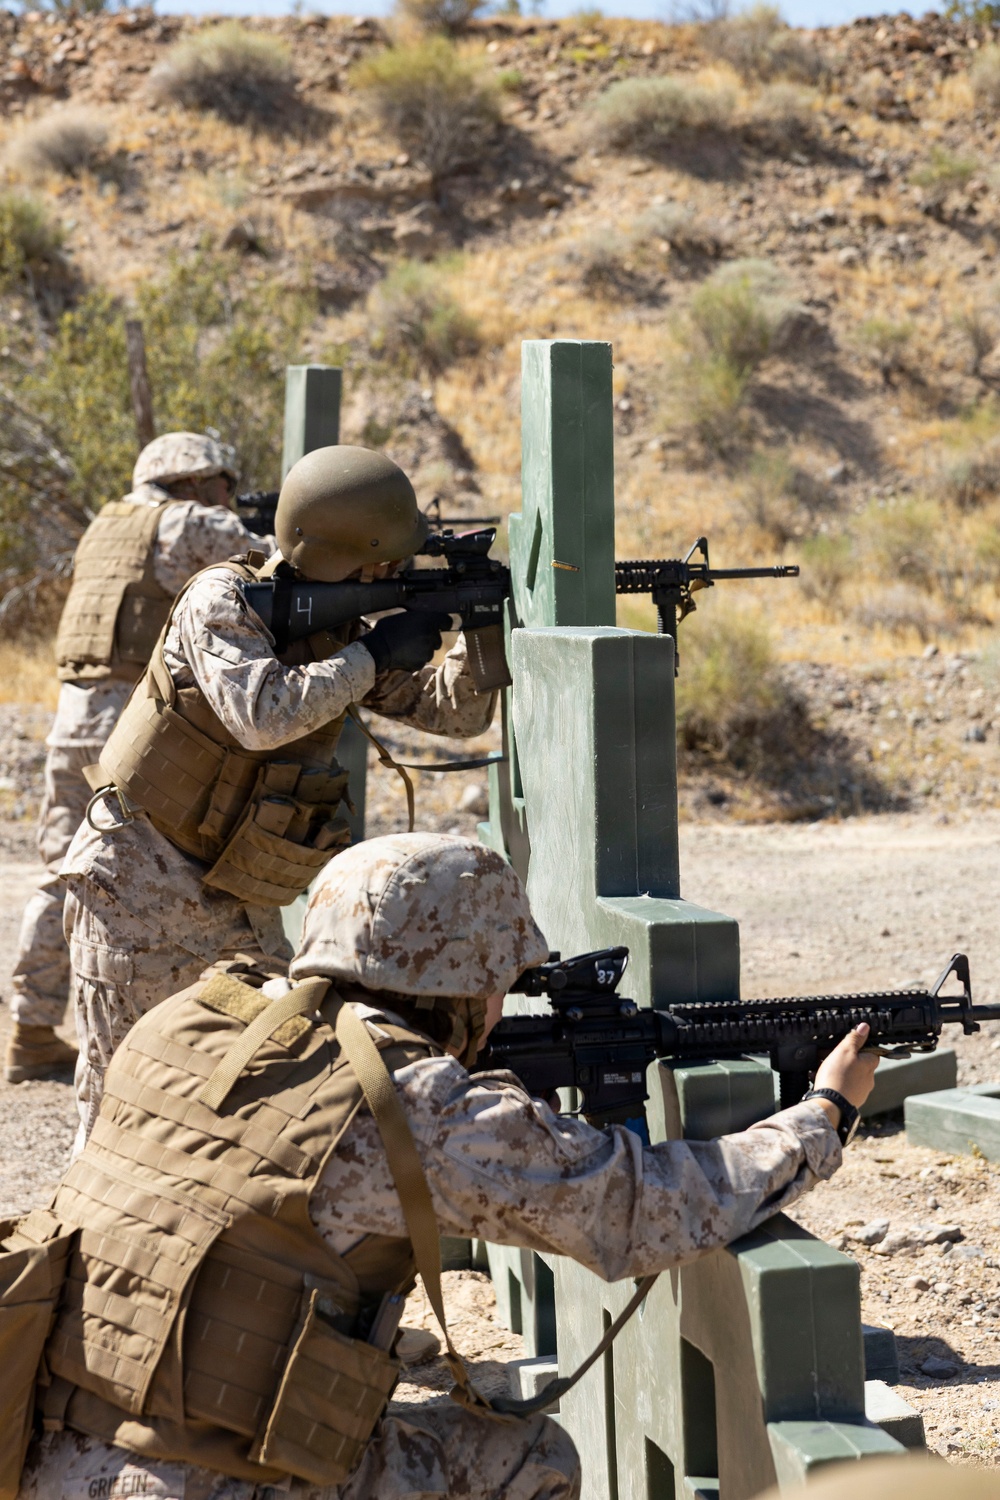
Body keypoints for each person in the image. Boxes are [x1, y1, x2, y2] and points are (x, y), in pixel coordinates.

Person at [17, 831, 879, 1500]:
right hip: (208, 1481)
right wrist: (822, 1116)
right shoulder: (409, 1099)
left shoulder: (185, 1021)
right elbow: (639, 1211)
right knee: (530, 1461)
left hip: (47, 1456)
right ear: (460, 978)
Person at [60, 446, 496, 1148]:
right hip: (138, 883)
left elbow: (456, 716)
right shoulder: (222, 598)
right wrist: (374, 656)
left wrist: (475, 629)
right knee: (121, 1104)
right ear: (339, 554)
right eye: (382, 561)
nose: (392, 574)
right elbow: (262, 714)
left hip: (235, 892)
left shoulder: (339, 626)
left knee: (242, 1097)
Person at [6, 432, 274, 1085]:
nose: (225, 498)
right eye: (221, 485)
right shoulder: (185, 521)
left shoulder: (109, 522)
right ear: (194, 481)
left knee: (62, 871)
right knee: (130, 875)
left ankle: (30, 1026)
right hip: (124, 724)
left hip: (72, 717)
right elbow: (275, 561)